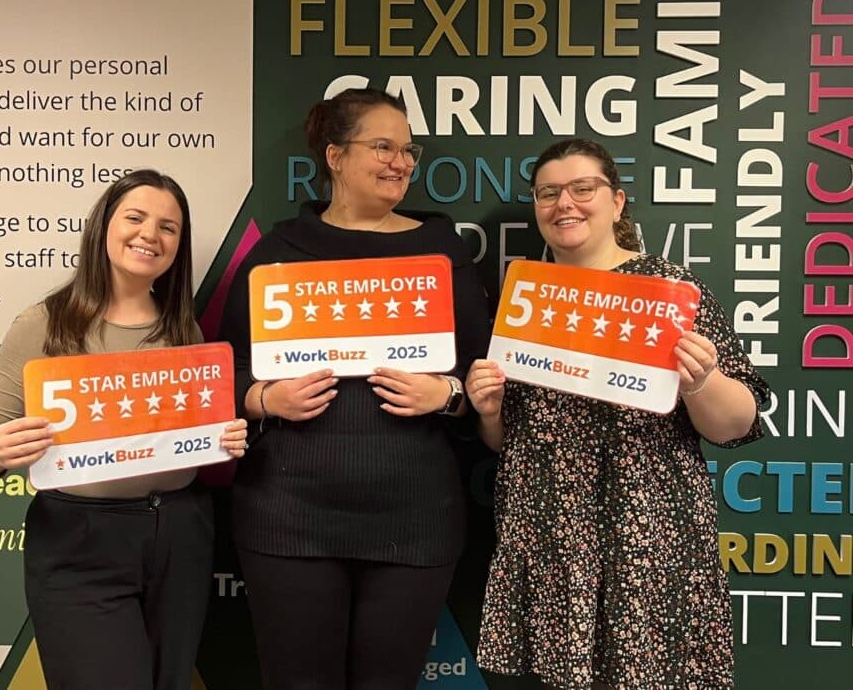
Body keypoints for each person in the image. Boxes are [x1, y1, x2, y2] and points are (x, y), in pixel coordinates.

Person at [465, 138, 770, 689]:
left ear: (618, 201)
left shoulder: (671, 291)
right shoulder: (523, 298)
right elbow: (506, 440)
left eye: (584, 188)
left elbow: (737, 424)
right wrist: (488, 411)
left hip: (648, 536)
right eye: (549, 193)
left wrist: (702, 382)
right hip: (548, 537)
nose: (566, 204)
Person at [218, 87, 491, 690]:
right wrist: (266, 398)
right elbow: (227, 370)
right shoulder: (279, 254)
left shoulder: (441, 250)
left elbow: (484, 376)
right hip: (288, 515)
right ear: (335, 155)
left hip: (414, 518)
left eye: (409, 150)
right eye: (383, 146)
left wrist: (444, 395)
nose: (401, 162)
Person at [0, 169, 249, 690]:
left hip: (180, 536)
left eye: (169, 227)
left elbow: (197, 430)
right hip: (80, 540)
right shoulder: (43, 323)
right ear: (103, 226)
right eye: (136, 218)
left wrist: (223, 436)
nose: (151, 235)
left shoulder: (182, 328)